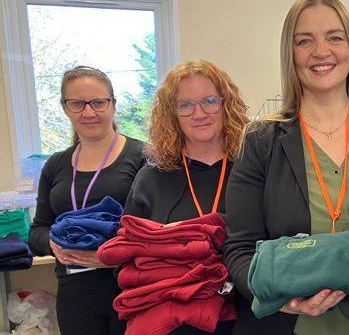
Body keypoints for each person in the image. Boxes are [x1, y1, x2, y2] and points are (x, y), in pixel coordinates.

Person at [222, 0, 349, 335]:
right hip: (284, 326)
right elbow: (239, 248)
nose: (321, 52)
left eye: (334, 38)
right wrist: (283, 299)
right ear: (289, 54)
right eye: (304, 41)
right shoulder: (261, 141)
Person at [124, 60, 249, 334]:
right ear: (172, 114)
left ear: (226, 104)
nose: (199, 113)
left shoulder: (253, 168)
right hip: (176, 324)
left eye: (209, 101)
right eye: (185, 105)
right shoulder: (152, 179)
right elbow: (127, 261)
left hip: (248, 319)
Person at [29, 65, 146, 335]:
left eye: (98, 102)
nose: (89, 112)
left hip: (130, 291)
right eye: (78, 103)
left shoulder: (143, 158)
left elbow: (160, 230)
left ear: (113, 105)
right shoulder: (55, 165)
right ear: (65, 107)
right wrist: (52, 244)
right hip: (75, 295)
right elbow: (37, 230)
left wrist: (114, 256)